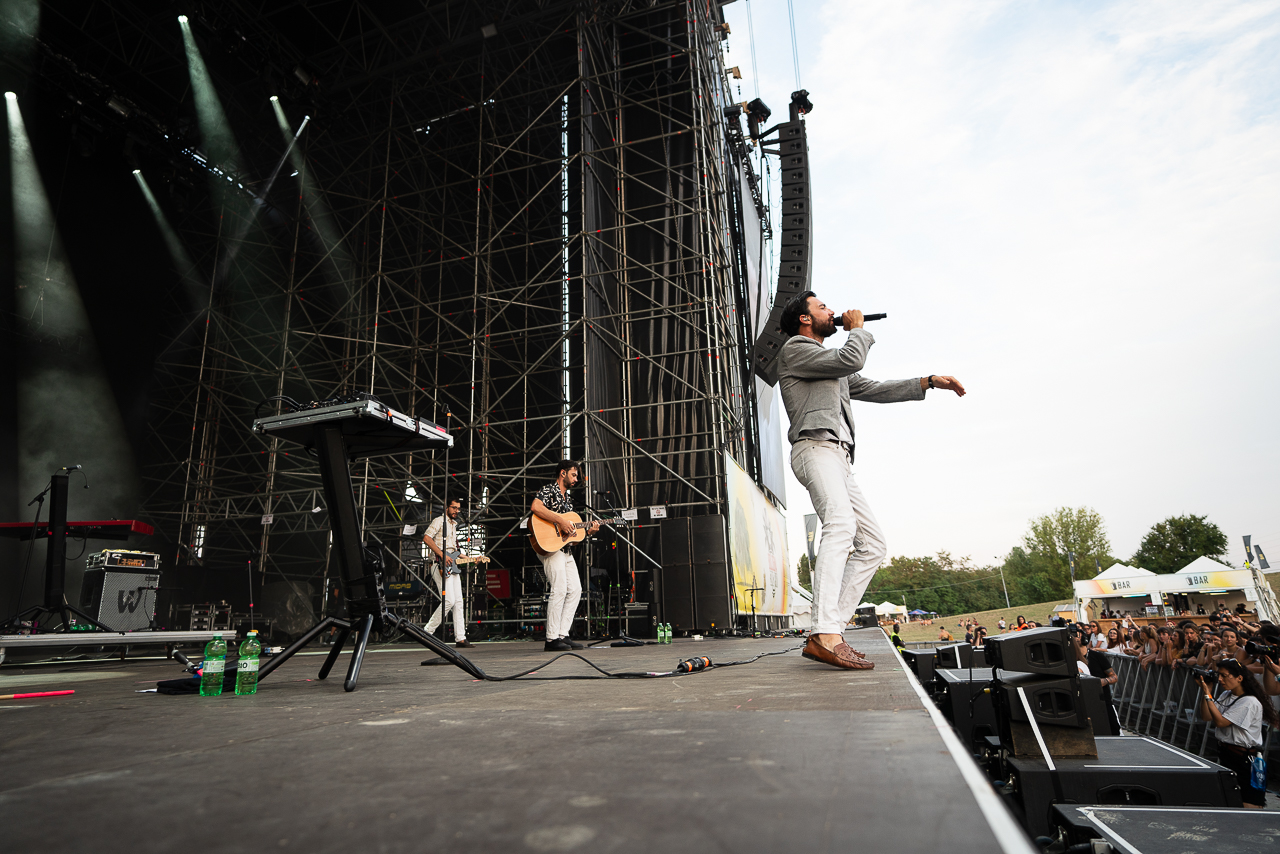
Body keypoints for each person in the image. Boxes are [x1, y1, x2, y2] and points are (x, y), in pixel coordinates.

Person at [775, 292, 964, 671]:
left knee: (873, 545)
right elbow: (852, 358)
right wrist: (858, 329)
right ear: (804, 319)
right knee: (841, 525)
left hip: (839, 457)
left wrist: (927, 382)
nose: (832, 310)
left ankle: (832, 628)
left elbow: (871, 387)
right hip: (815, 447)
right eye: (822, 307)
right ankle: (824, 632)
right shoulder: (796, 349)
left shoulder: (828, 364)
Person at [530, 460, 599, 652]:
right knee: (559, 589)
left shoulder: (568, 499)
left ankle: (562, 634)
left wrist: (588, 532)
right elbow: (535, 507)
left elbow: (571, 536)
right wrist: (560, 520)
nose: (576, 479)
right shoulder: (549, 490)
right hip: (549, 548)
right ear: (563, 473)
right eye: (573, 475)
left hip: (565, 549)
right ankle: (551, 639)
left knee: (576, 589)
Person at [1196, 659, 1278, 808]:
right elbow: (1206, 716)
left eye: (1224, 675)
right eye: (1219, 675)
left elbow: (1221, 722)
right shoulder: (1227, 695)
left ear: (1239, 678)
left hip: (1244, 759)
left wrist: (1208, 695)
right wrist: (1206, 691)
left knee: (1248, 803)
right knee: (1229, 800)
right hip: (1227, 753)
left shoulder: (1249, 701)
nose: (1220, 680)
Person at [423, 499, 472, 648]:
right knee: (449, 601)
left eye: (458, 508)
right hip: (439, 564)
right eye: (454, 508)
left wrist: (471, 558)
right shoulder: (439, 521)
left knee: (458, 602)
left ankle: (460, 637)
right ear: (447, 508)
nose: (456, 511)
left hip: (452, 564)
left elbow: (455, 551)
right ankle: (427, 631)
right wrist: (442, 555)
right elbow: (426, 538)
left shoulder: (454, 525)